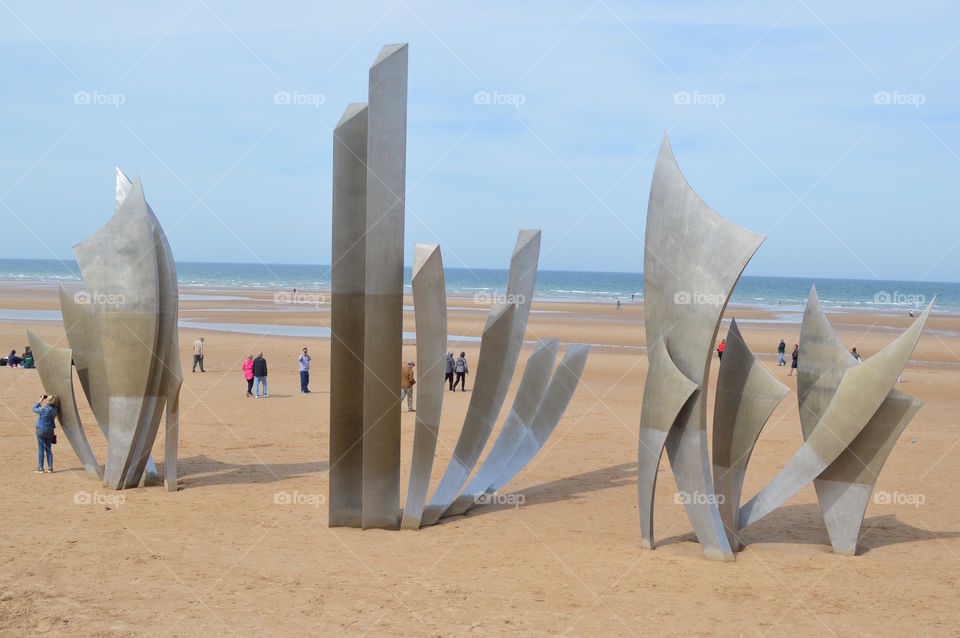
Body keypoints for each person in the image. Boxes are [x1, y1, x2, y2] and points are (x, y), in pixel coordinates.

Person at [33, 394, 58, 473]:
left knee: (41, 449)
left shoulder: (44, 409)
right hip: (50, 430)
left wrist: (40, 400)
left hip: (41, 430)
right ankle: (50, 467)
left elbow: (34, 409)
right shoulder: (55, 409)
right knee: (48, 449)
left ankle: (41, 468)